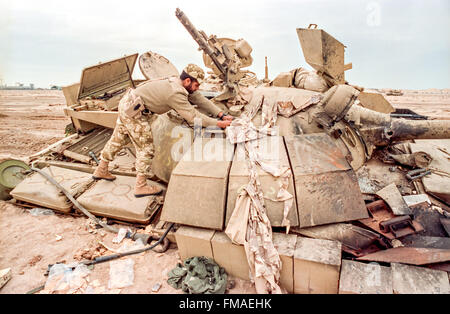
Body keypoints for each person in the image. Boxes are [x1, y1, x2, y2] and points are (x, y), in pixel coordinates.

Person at [92, 64, 233, 197]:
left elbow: (200, 100)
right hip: (135, 112)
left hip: (127, 104)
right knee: (146, 147)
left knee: (118, 138)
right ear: (188, 80)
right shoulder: (175, 93)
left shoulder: (177, 81)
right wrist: (219, 123)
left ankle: (101, 169)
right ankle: (140, 186)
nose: (197, 88)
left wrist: (221, 114)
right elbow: (193, 117)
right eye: (196, 85)